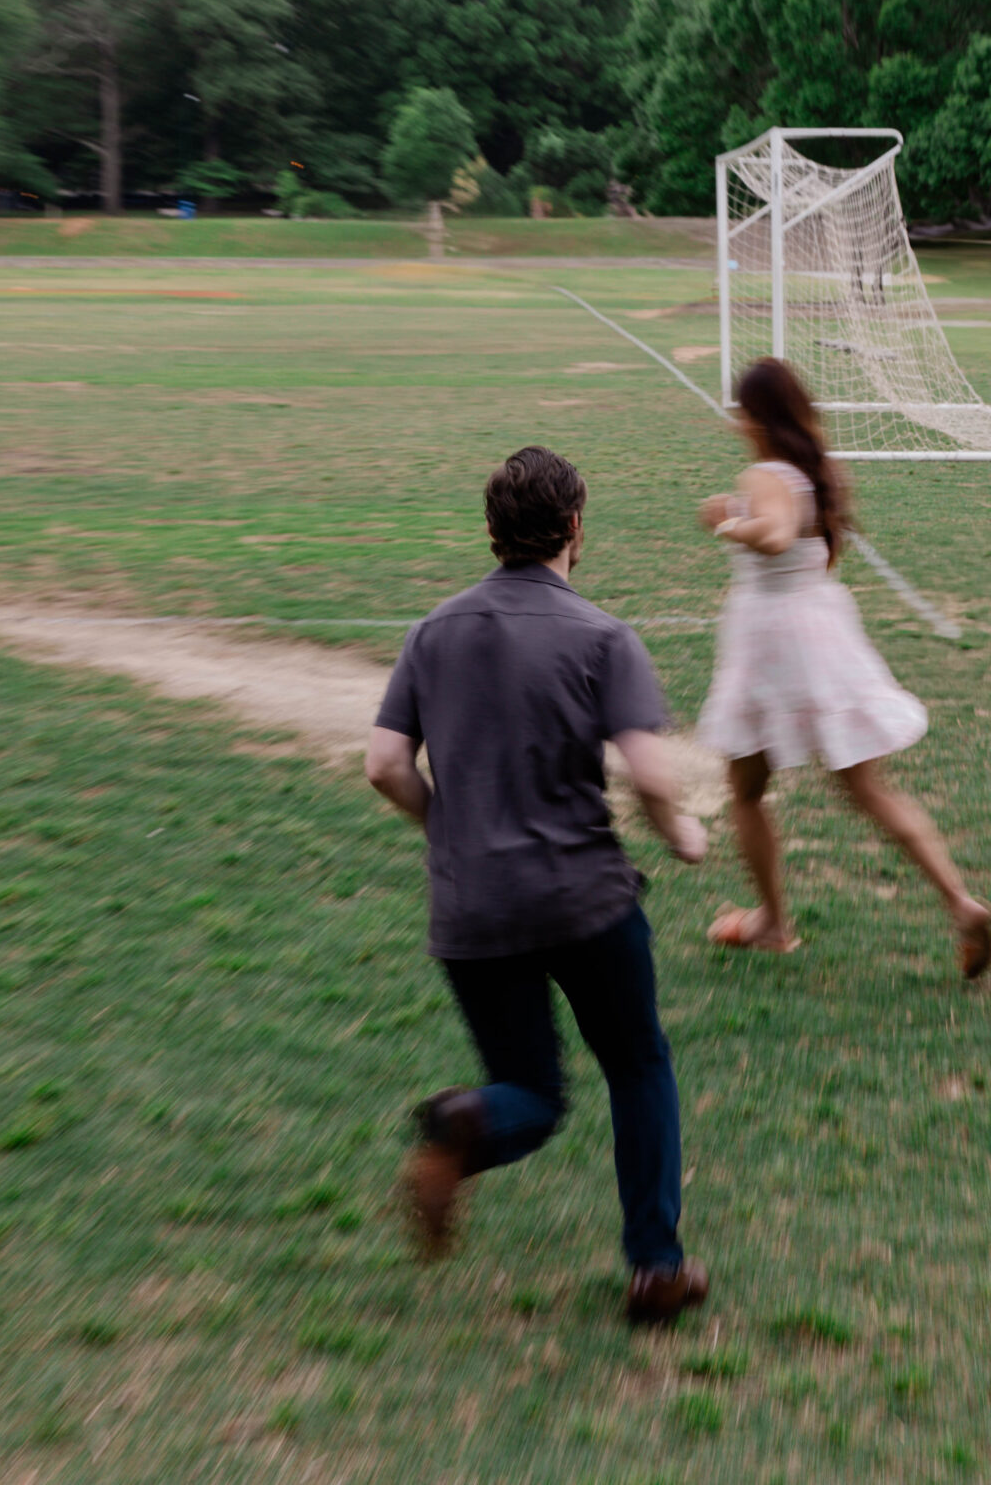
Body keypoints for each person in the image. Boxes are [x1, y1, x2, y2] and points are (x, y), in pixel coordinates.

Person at [365, 444, 711, 1326]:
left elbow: (383, 767)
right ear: (574, 528)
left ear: (490, 533)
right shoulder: (603, 636)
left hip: (471, 904)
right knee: (637, 1066)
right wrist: (681, 834)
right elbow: (650, 773)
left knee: (531, 1094)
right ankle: (654, 1269)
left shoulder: (430, 633)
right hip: (583, 896)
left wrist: (447, 828)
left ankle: (465, 1124)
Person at [696, 358, 991, 979]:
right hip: (822, 631)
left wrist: (729, 521)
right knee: (867, 789)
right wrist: (738, 508)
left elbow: (776, 535)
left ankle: (773, 923)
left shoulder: (764, 472)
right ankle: (960, 903)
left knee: (748, 793)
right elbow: (801, 537)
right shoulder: (821, 471)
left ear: (752, 416)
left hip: (771, 643)